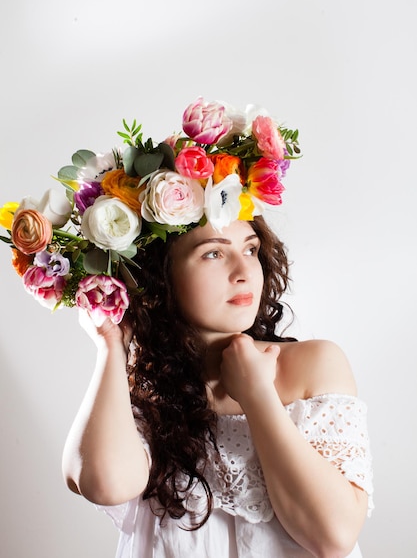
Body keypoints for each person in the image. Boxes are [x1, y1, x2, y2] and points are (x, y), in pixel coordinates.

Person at [62, 214, 373, 558]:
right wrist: (111, 346)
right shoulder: (144, 388)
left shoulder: (312, 363)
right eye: (213, 253)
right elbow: (104, 483)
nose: (244, 271)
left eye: (251, 249)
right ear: (157, 275)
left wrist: (257, 395)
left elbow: (334, 538)